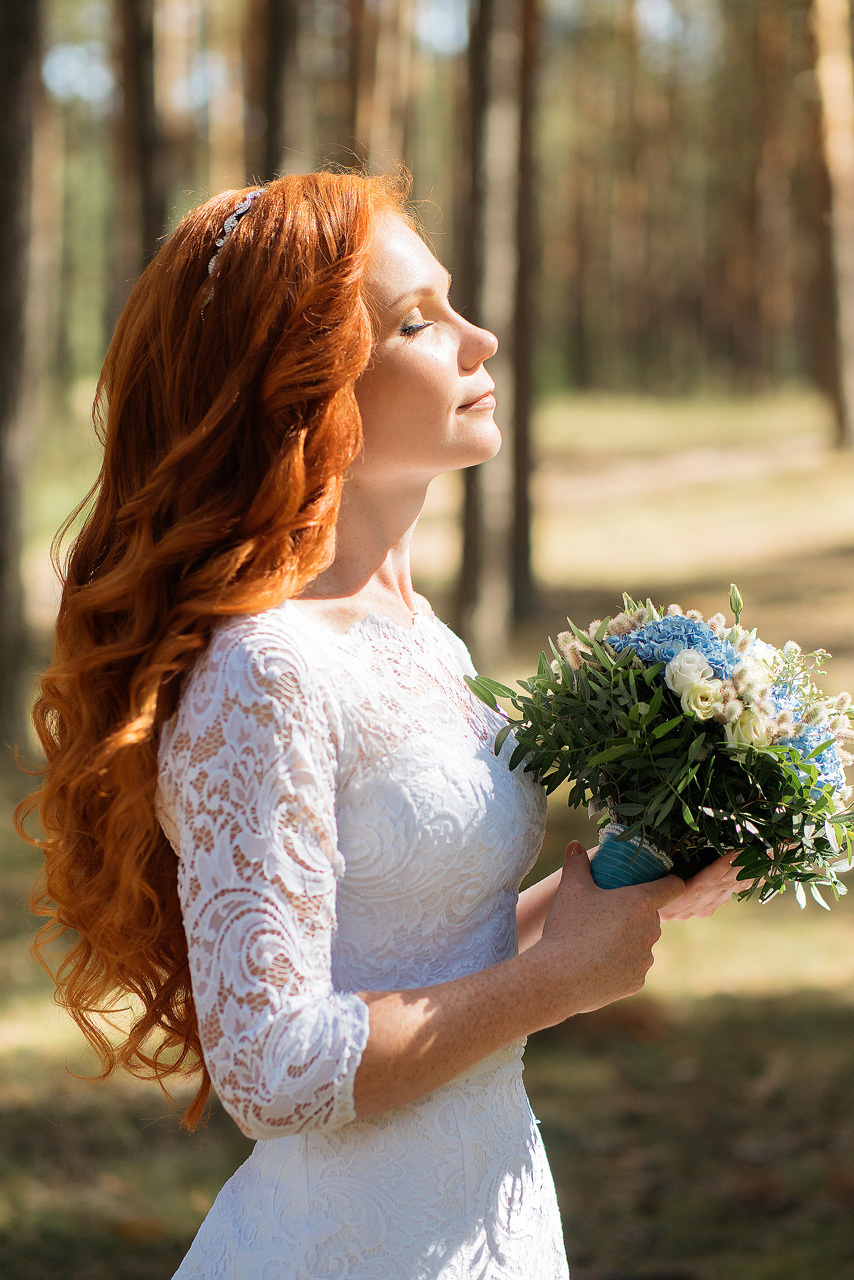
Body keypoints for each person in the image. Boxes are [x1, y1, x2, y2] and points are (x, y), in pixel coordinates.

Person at [23, 170, 741, 1279]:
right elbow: (268, 1067)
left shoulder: (420, 634)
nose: (479, 338)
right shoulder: (264, 670)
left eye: (451, 303)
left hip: (487, 1211)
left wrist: (632, 877)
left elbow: (435, 943)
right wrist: (557, 981)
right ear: (301, 387)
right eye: (417, 321)